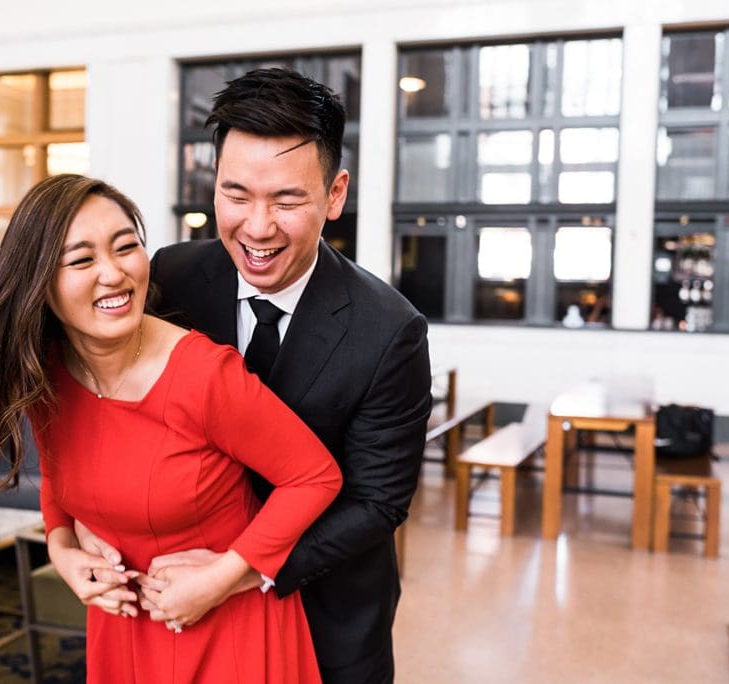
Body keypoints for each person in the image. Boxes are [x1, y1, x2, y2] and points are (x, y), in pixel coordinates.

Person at [0, 174, 342, 684]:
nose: (113, 273)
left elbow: (313, 477)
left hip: (227, 628)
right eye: (82, 259)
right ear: (39, 284)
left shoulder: (204, 375)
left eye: (126, 247)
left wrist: (224, 578)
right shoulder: (46, 372)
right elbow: (60, 489)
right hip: (124, 630)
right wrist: (62, 550)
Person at [77, 67, 432, 683]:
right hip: (177, 608)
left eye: (288, 199)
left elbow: (376, 502)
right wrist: (73, 533)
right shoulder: (172, 277)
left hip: (322, 608)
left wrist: (234, 572)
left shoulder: (388, 330)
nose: (258, 227)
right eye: (236, 195)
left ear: (336, 193)